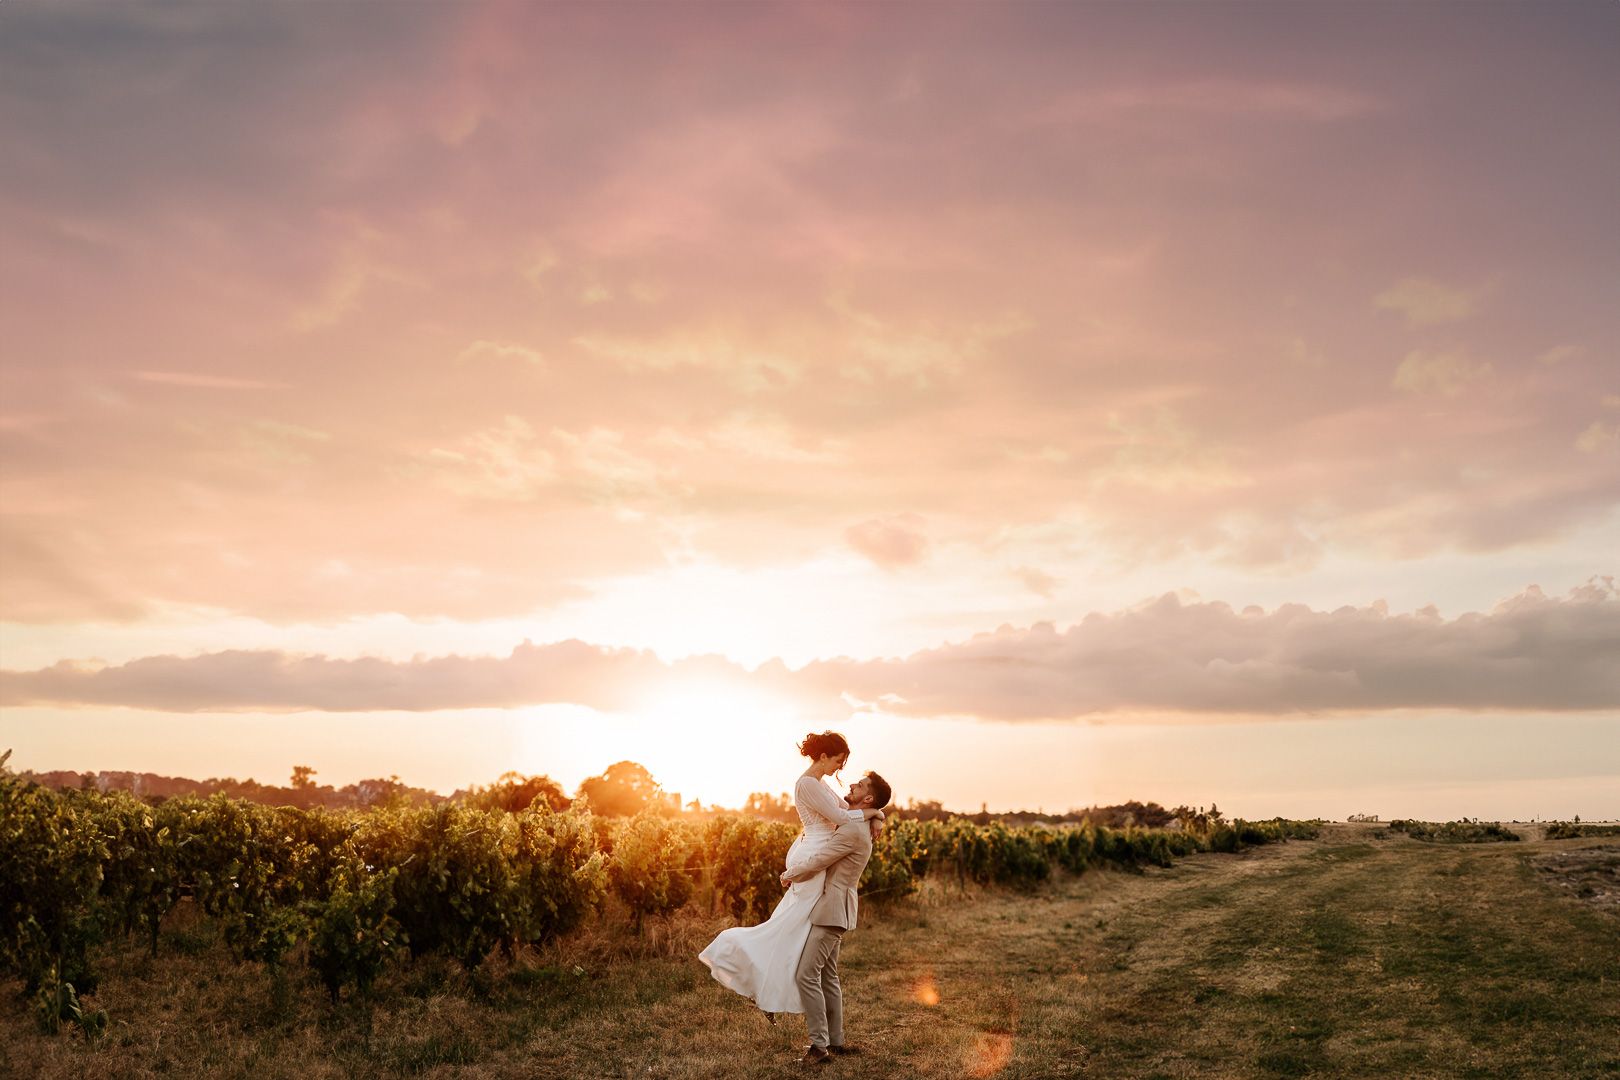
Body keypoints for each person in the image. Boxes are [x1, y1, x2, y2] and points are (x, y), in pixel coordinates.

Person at [698, 732, 885, 1017]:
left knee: (794, 926)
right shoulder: (807, 784)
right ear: (824, 757)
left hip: (814, 850)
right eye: (838, 761)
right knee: (790, 927)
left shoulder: (819, 783)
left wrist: (878, 815)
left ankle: (769, 985)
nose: (840, 768)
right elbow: (841, 818)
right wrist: (874, 814)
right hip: (812, 853)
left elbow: (847, 808)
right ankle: (744, 961)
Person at [781, 770, 891, 1066]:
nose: (852, 784)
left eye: (860, 785)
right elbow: (866, 812)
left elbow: (820, 860)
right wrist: (878, 814)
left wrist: (790, 874)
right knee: (828, 975)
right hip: (837, 907)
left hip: (831, 909)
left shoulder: (852, 830)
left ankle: (819, 1048)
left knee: (806, 975)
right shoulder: (860, 822)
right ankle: (836, 1041)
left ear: (867, 798)